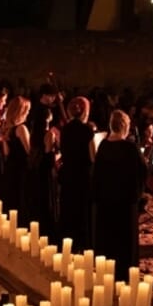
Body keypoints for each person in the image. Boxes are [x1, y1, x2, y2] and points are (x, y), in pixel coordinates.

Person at [91, 110, 148, 274]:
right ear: (125, 126)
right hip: (124, 200)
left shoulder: (103, 145)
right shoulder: (129, 147)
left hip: (105, 200)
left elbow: (97, 173)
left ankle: (107, 269)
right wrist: (138, 193)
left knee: (108, 236)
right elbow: (142, 171)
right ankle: (125, 270)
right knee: (125, 238)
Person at [58, 96, 96, 247]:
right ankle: (82, 241)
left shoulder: (65, 128)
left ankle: (68, 240)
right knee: (81, 209)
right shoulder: (87, 130)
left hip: (68, 172)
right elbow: (92, 156)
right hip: (82, 174)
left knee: (69, 207)